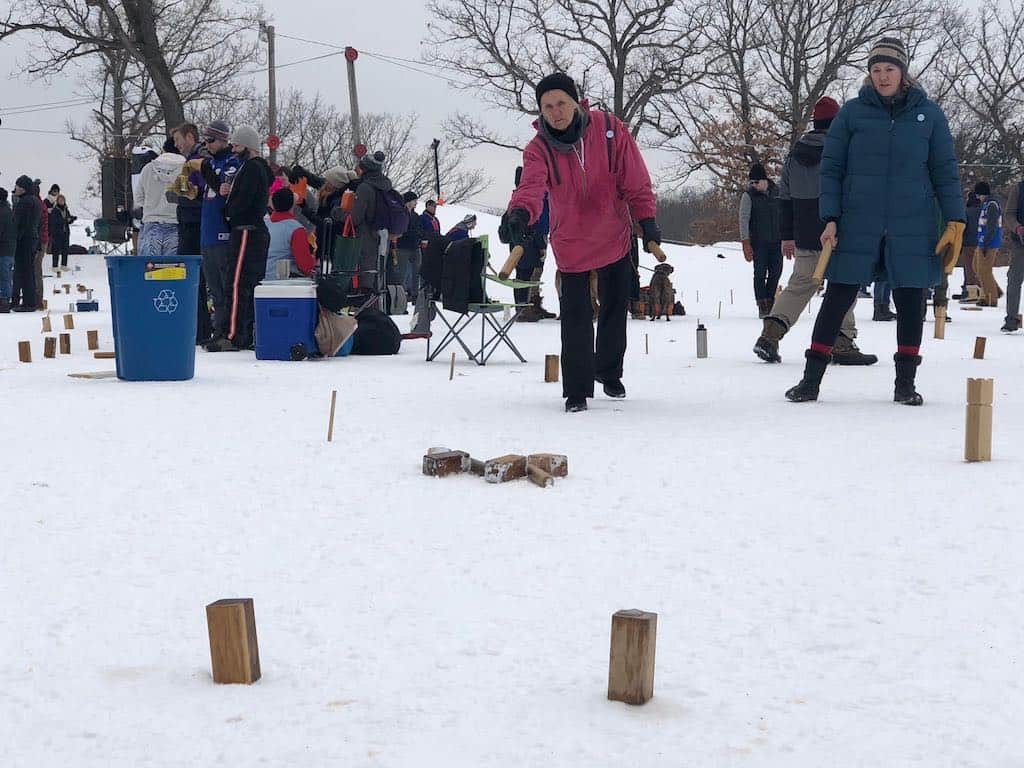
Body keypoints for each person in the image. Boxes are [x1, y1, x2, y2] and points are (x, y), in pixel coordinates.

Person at [785, 37, 965, 406]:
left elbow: (945, 171)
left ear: (903, 71)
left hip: (912, 221)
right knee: (837, 297)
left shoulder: (928, 114)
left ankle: (905, 384)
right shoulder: (852, 114)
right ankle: (810, 380)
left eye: (889, 69)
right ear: (869, 74)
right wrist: (830, 217)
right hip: (856, 220)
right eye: (876, 70)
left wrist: (956, 220)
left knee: (912, 299)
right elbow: (832, 170)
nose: (883, 77)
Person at [502, 72, 660, 412]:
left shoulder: (609, 129)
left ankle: (609, 371)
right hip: (571, 239)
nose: (555, 112)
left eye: (561, 103)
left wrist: (645, 219)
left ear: (576, 102)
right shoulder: (538, 148)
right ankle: (576, 389)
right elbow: (531, 187)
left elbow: (635, 175)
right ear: (540, 112)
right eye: (547, 106)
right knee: (575, 316)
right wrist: (518, 215)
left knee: (616, 306)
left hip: (614, 232)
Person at [754, 96, 876, 366]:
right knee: (844, 284)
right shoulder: (842, 151)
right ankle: (842, 341)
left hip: (804, 229)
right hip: (837, 228)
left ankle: (770, 334)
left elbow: (784, 199)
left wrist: (787, 235)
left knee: (800, 284)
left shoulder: (794, 155)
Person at [206, 125, 271, 352]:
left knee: (236, 282)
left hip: (246, 230)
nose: (233, 149)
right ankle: (244, 331)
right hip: (251, 229)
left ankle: (231, 334)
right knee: (247, 283)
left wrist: (229, 210)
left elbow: (243, 200)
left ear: (248, 146)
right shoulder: (256, 168)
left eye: (236, 145)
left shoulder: (252, 169)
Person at [193, 120, 239, 345]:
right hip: (207, 234)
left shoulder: (230, 163)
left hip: (222, 235)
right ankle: (217, 329)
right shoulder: (212, 164)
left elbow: (223, 188)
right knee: (213, 287)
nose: (207, 144)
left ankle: (226, 332)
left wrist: (205, 169)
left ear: (223, 140)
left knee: (224, 285)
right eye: (206, 140)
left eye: (211, 140)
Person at [171, 122, 214, 343]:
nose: (177, 145)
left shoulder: (200, 159)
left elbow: (203, 191)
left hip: (195, 224)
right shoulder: (190, 160)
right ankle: (198, 327)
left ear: (190, 137)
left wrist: (186, 193)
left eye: (178, 139)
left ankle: (201, 329)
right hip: (190, 222)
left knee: (195, 278)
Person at [340, 151, 393, 300]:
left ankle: (363, 308)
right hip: (383, 236)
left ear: (366, 169)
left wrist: (338, 213)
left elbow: (355, 218)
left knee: (365, 279)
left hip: (366, 238)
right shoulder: (386, 186)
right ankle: (376, 308)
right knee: (378, 275)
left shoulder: (365, 188)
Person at [739, 163, 783, 318]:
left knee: (776, 272)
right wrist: (745, 242)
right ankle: (762, 303)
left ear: (765, 180)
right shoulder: (748, 196)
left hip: (777, 241)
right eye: (751, 182)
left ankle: (771, 300)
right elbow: (744, 219)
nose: (753, 185)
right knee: (759, 274)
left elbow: (786, 214)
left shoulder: (778, 192)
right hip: (759, 242)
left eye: (756, 182)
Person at [135, 150, 184, 256]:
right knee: (172, 269)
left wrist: (149, 207)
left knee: (149, 268)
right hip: (176, 224)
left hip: (151, 223)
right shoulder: (184, 170)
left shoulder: (148, 169)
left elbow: (138, 198)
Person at [265, 186, 314, 280]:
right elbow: (305, 266)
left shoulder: (264, 225)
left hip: (261, 279)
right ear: (293, 205)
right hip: (284, 282)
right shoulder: (296, 229)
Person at [972, 181, 1003, 307]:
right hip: (982, 241)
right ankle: (995, 291)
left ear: (983, 193)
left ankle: (990, 298)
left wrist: (986, 243)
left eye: (978, 195)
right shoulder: (986, 204)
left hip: (989, 243)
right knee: (976, 267)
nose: (977, 198)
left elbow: (992, 226)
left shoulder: (992, 205)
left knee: (985, 270)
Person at [11, 175, 40, 311]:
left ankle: (28, 303)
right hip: (32, 238)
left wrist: (15, 238)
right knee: (29, 270)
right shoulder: (34, 201)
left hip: (24, 241)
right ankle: (30, 300)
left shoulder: (24, 203)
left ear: (22, 188)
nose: (15, 188)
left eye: (17, 186)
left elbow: (19, 224)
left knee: (24, 271)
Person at [1001, 176, 1024, 332]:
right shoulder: (1019, 189)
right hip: (1020, 243)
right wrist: (1017, 227)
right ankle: (1011, 318)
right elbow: (1009, 214)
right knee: (1014, 279)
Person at [395, 191, 423, 300]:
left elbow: (419, 229)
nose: (416, 203)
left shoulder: (416, 215)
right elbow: (401, 230)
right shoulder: (401, 213)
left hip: (415, 246)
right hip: (403, 246)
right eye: (414, 201)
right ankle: (401, 296)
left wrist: (420, 236)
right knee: (401, 272)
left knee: (417, 271)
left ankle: (415, 294)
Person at [47, 194, 75, 269]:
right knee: (56, 249)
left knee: (65, 249)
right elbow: (55, 221)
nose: (62, 202)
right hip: (57, 233)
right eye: (60, 200)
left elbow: (68, 219)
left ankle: (64, 264)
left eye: (63, 200)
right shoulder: (55, 210)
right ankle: (55, 265)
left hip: (65, 232)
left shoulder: (66, 209)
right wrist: (66, 220)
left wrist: (71, 219)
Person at [31, 181, 47, 306]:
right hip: (41, 240)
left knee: (36, 270)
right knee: (36, 270)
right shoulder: (40, 204)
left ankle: (37, 299)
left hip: (39, 241)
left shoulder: (37, 205)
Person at [0, 188, 14, 313]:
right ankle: (5, 300)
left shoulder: (1, 212)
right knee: (7, 277)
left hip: (3, 250)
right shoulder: (8, 210)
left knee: (3, 277)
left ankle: (3, 302)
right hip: (10, 249)